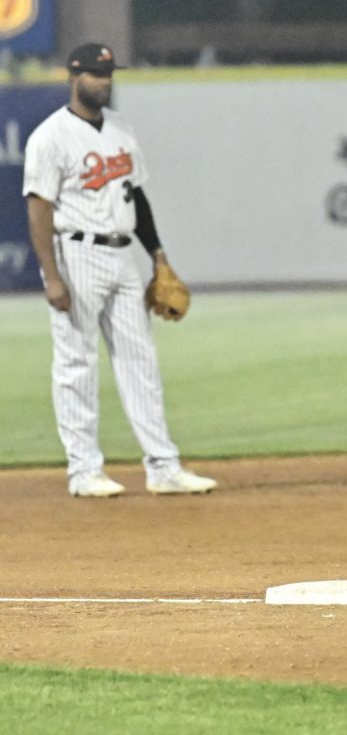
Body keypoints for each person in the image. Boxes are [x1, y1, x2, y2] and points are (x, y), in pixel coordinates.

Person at [22, 42, 217, 498]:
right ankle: (84, 470)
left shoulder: (121, 130)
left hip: (122, 255)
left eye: (109, 73)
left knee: (140, 361)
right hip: (76, 254)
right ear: (74, 76)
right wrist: (51, 275)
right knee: (76, 364)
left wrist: (158, 255)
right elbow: (39, 209)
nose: (105, 81)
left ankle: (163, 466)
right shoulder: (50, 137)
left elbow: (138, 198)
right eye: (96, 73)